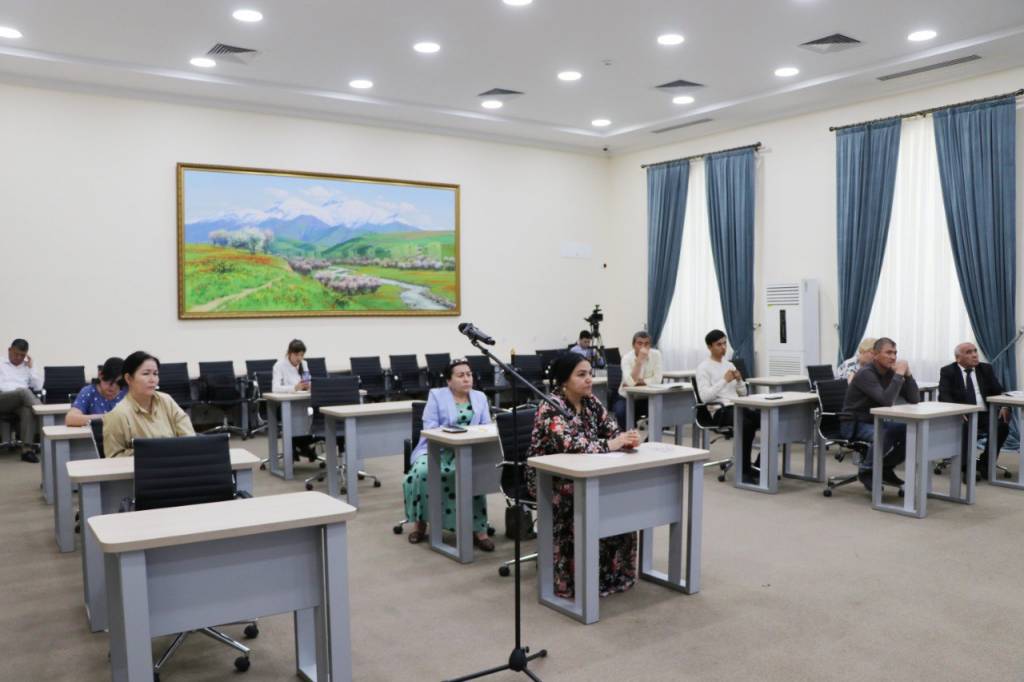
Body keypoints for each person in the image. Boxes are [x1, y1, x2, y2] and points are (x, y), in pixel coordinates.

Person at [529, 352, 641, 599]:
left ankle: (610, 574)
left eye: (590, 373)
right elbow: (569, 444)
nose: (589, 379)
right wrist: (611, 444)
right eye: (581, 375)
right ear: (563, 380)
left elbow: (612, 431)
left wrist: (627, 438)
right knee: (589, 495)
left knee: (620, 490)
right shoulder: (550, 406)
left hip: (587, 470)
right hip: (551, 478)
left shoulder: (590, 401)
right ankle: (575, 578)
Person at [403, 358, 496, 551]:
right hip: (437, 449)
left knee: (473, 473)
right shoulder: (436, 396)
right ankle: (420, 525)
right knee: (422, 473)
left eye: (469, 374)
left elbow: (487, 426)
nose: (466, 379)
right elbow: (430, 427)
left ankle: (479, 530)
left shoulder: (480, 397)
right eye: (460, 375)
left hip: (469, 450)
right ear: (449, 380)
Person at [841, 337, 920, 489]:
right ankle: (866, 471)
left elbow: (914, 399)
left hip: (876, 421)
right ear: (875, 354)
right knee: (884, 434)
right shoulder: (865, 373)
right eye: (888, 353)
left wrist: (908, 375)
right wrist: (899, 374)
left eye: (895, 353)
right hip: (854, 423)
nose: (893, 357)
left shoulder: (889, 373)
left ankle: (886, 467)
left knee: (912, 431)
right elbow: (886, 401)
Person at [696, 329, 761, 483]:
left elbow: (743, 393)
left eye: (725, 343)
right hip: (720, 410)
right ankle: (744, 471)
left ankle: (759, 465)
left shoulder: (729, 365)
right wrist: (724, 380)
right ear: (710, 347)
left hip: (738, 405)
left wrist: (739, 380)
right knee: (746, 425)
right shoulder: (703, 368)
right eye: (719, 344)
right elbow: (705, 397)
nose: (723, 347)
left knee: (766, 419)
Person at [938, 342, 1010, 480]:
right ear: (958, 358)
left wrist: (1004, 406)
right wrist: (957, 411)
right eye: (969, 352)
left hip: (985, 414)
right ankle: (966, 468)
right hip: (963, 415)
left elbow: (999, 390)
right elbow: (944, 396)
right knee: (965, 428)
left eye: (975, 351)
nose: (975, 355)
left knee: (1002, 427)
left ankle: (985, 464)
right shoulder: (948, 371)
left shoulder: (985, 369)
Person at [103, 351, 194, 457]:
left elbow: (189, 438)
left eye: (155, 374)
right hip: (140, 467)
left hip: (175, 463)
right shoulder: (117, 415)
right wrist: (150, 453)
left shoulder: (167, 401)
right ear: (128, 378)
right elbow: (113, 457)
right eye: (146, 374)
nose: (152, 380)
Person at [0, 338, 43, 462]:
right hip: (3, 399)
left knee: (27, 410)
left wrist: (31, 368)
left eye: (22, 355)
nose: (19, 358)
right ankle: (43, 413)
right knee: (23, 391)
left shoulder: (27, 366)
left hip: (20, 402)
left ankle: (27, 450)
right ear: (9, 350)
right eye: (16, 354)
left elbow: (38, 387)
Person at [614, 330, 663, 427]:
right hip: (627, 397)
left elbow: (657, 380)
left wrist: (641, 382)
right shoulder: (626, 358)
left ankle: (651, 437)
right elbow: (630, 383)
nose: (643, 347)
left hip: (648, 398)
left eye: (646, 344)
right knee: (621, 413)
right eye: (639, 343)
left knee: (662, 411)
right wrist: (639, 361)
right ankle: (628, 436)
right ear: (633, 345)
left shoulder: (656, 355)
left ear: (650, 345)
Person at [65, 357, 127, 427]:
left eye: (118, 383)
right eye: (110, 381)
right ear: (100, 375)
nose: (114, 387)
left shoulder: (126, 392)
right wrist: (107, 418)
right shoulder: (89, 392)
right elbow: (70, 419)